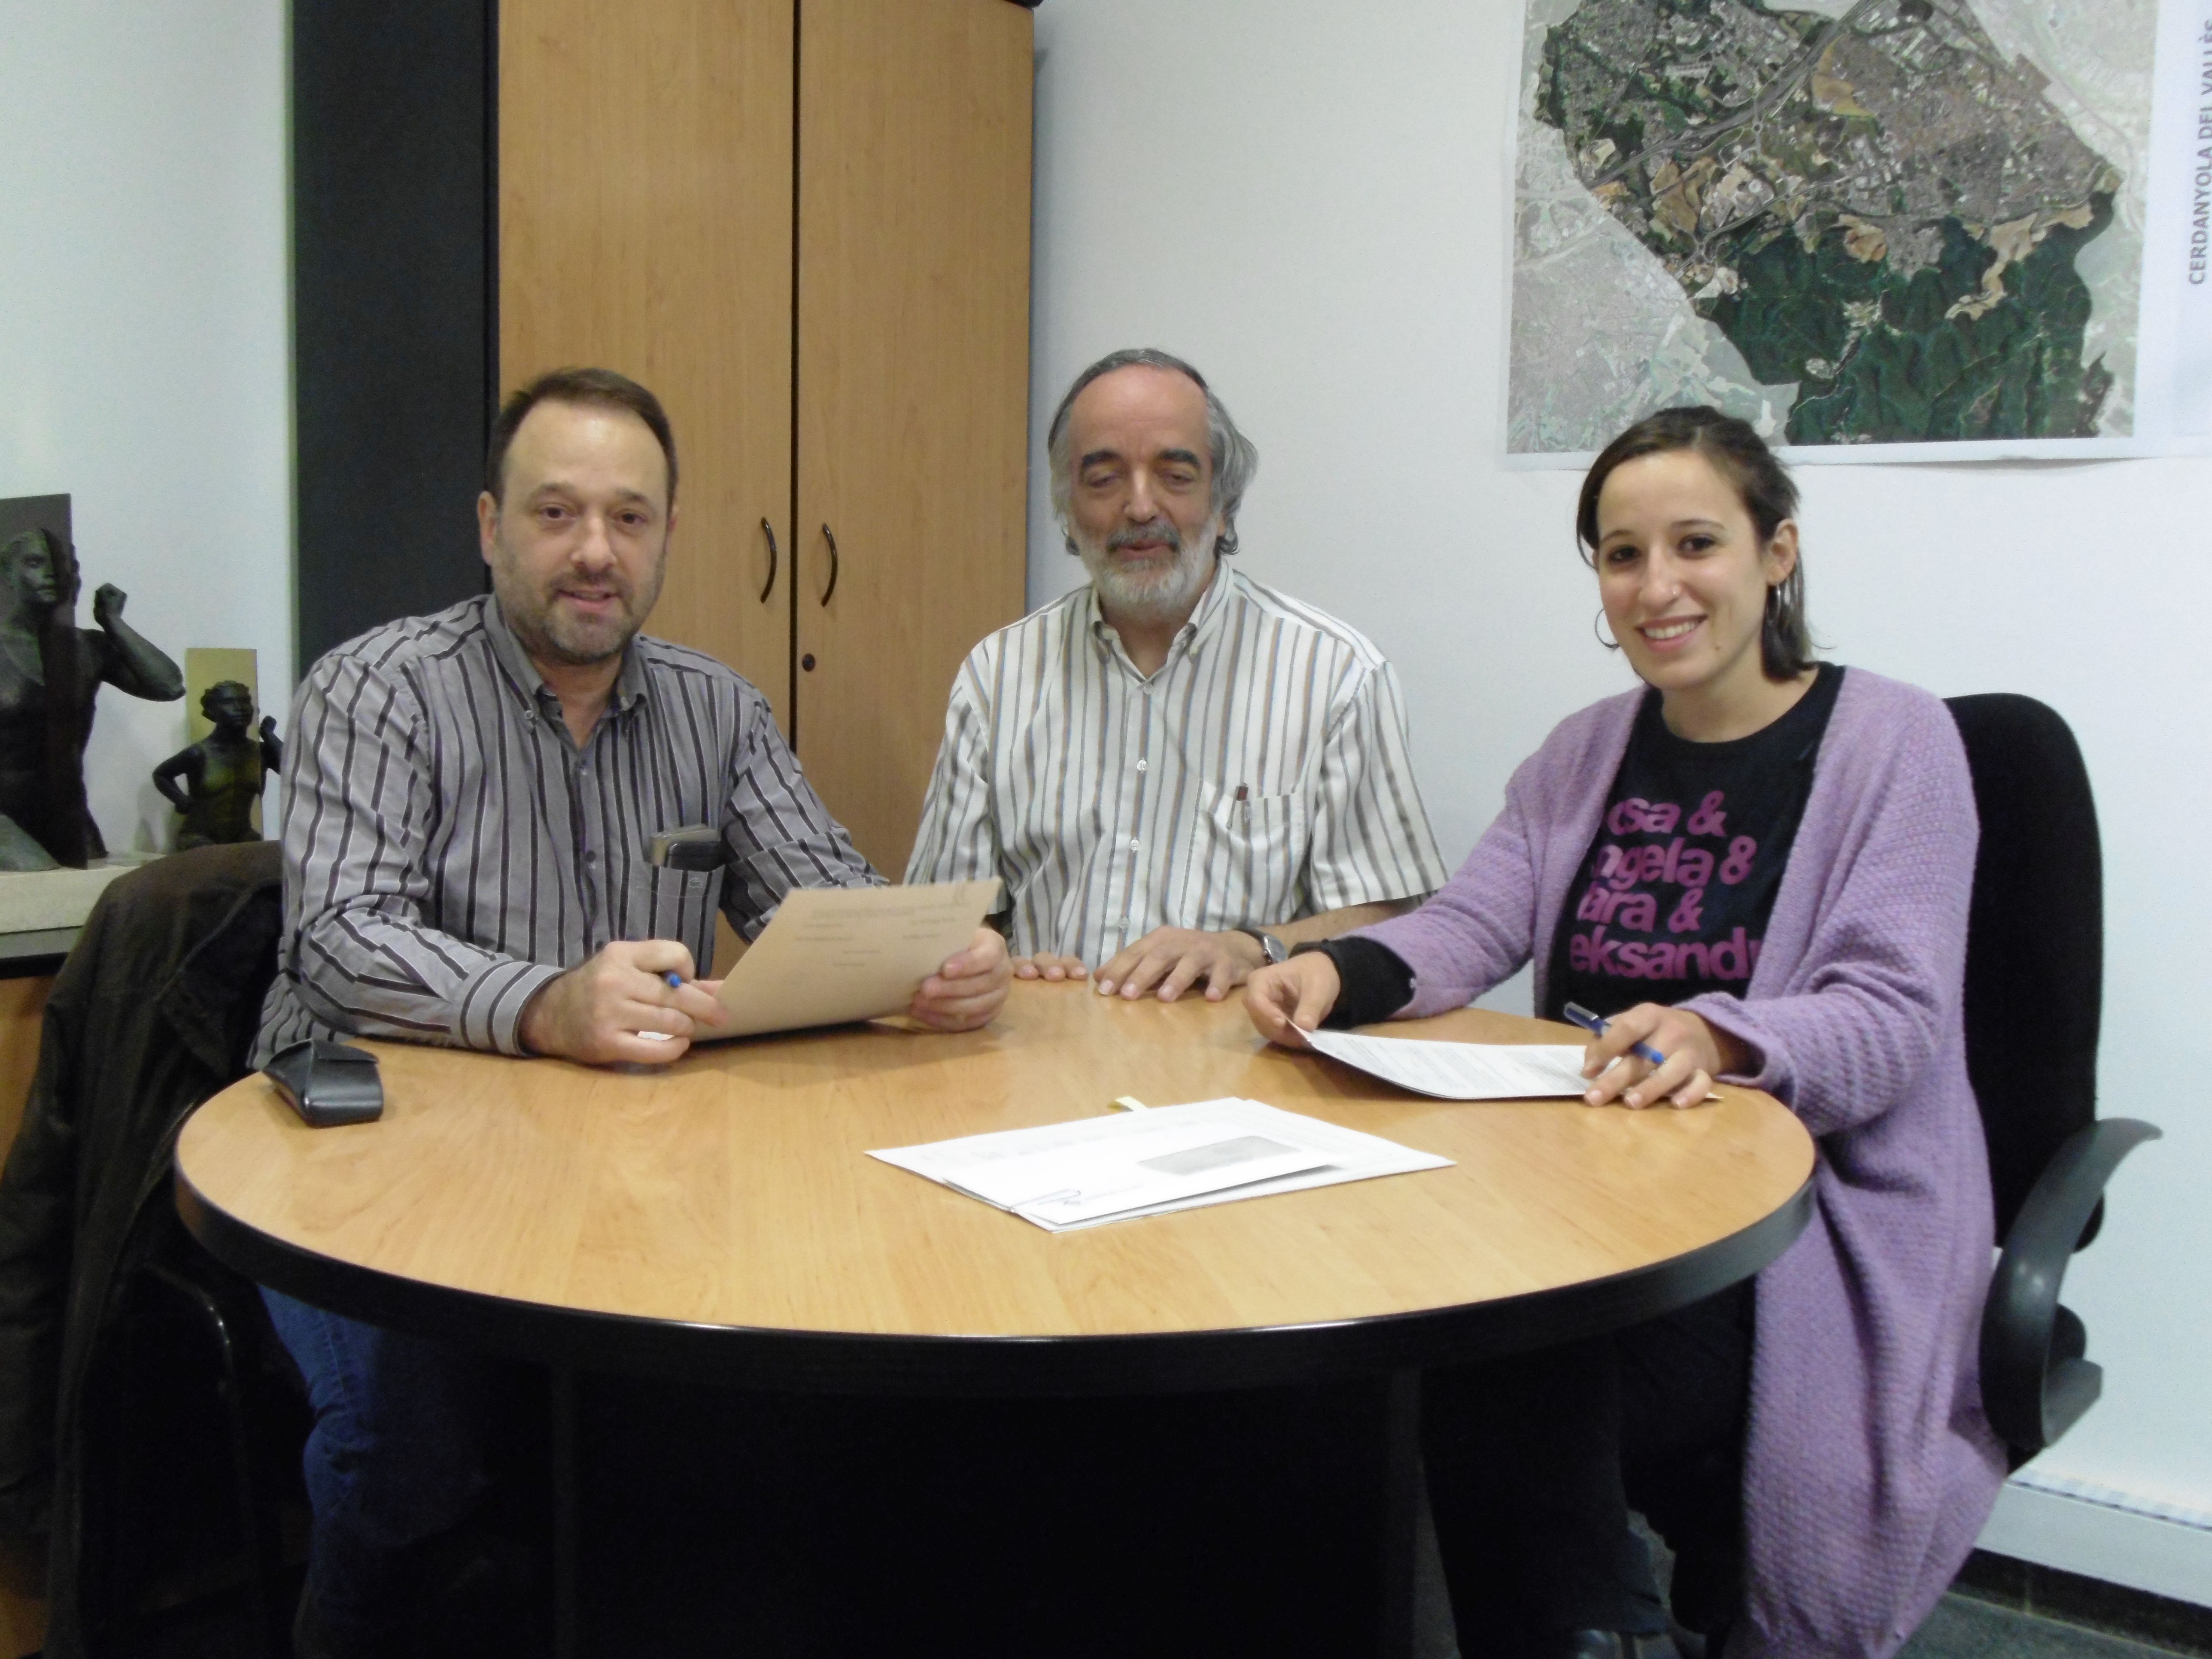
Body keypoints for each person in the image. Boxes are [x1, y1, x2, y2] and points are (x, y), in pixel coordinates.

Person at [253, 366, 1011, 1656]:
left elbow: (821, 899)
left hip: (620, 1161)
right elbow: (336, 939)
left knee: (754, 1402)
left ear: (668, 534)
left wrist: (928, 963)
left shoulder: (715, 706)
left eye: (629, 517)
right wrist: (543, 1003)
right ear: (491, 526)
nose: (594, 552)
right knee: (407, 1448)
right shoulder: (379, 689)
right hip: (373, 1157)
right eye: (556, 515)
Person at [1246, 407, 2004, 1659]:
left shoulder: (1897, 743)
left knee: (1505, 1361)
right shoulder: (1583, 751)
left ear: (1777, 553)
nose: (1656, 587)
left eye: (1694, 542)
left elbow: (1891, 1017)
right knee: (1448, 1334)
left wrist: (1719, 1037)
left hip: (1794, 1232)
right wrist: (1331, 971)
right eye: (1618, 553)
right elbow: (1469, 920)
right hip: (1595, 1201)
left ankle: (1591, 1629)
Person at [906, 348, 1448, 998]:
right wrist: (984, 962)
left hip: (1246, 1066)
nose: (1140, 507)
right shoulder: (996, 677)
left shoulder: (1335, 677)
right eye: (1103, 479)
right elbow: (942, 920)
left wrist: (1250, 948)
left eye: (1176, 475)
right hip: (1036, 1060)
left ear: (1223, 505)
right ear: (1067, 514)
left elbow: (1392, 919)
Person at [152, 680, 282, 848]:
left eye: (245, 702)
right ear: (212, 711)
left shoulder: (260, 753)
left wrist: (269, 735)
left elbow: (292, 769)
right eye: (229, 703)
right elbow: (161, 774)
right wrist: (181, 800)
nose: (240, 708)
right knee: (210, 858)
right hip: (200, 837)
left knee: (260, 858)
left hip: (242, 835)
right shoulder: (200, 753)